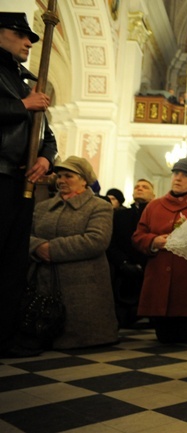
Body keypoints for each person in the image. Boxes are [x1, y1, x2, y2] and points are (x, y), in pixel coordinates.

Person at [0, 12, 58, 357]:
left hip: (21, 183)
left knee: (12, 264)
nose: (28, 43)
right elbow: (24, 111)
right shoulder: (23, 92)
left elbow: (46, 135)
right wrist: (23, 105)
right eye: (22, 35)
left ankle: (5, 336)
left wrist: (45, 158)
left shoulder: (25, 81)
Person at [28, 156, 118, 351]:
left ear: (84, 180)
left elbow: (96, 240)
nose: (61, 180)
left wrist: (50, 249)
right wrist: (36, 246)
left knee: (82, 335)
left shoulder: (99, 206)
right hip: (45, 281)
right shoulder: (43, 207)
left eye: (69, 176)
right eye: (59, 176)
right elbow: (27, 235)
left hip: (84, 284)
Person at [132, 158, 187, 344]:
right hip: (159, 278)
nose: (178, 178)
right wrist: (153, 241)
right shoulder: (154, 205)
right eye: (176, 173)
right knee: (164, 340)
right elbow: (138, 236)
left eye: (185, 175)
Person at [106, 179, 155, 328]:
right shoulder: (120, 216)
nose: (140, 189)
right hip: (124, 271)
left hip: (151, 269)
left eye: (145, 187)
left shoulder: (157, 216)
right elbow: (111, 243)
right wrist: (124, 263)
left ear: (153, 195)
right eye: (137, 187)